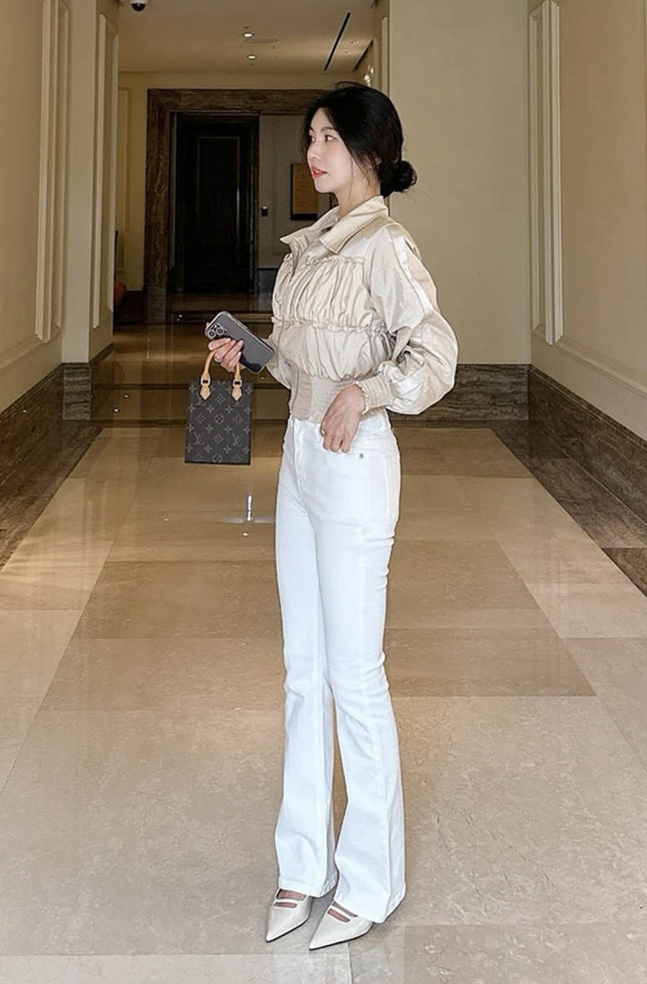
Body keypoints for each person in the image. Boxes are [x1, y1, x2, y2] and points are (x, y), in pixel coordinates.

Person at [208, 81, 458, 950]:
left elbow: (435, 357)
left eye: (328, 138)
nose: (313, 151)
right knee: (302, 671)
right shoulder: (310, 249)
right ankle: (303, 865)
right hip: (301, 461)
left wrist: (370, 389)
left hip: (356, 468)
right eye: (311, 136)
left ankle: (371, 881)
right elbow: (301, 367)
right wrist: (253, 353)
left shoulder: (386, 246)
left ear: (370, 152)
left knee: (354, 675)